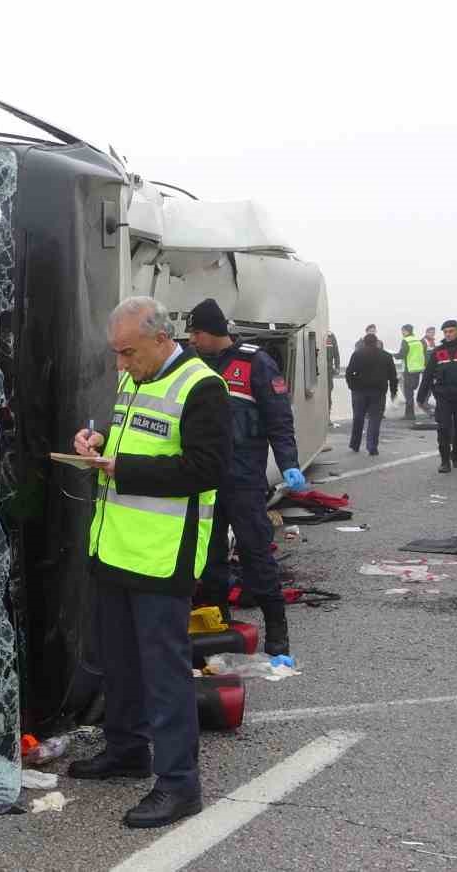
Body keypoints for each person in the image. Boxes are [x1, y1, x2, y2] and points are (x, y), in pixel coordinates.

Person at [66, 296, 228, 829]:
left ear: (161, 338)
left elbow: (204, 468)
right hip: (115, 548)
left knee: (165, 675)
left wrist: (122, 467)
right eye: (117, 353)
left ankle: (179, 784)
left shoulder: (202, 385)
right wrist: (98, 442)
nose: (121, 364)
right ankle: (128, 750)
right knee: (119, 663)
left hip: (163, 557)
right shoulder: (135, 379)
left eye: (129, 352)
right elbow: (133, 439)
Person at [187, 298, 307, 657]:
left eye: (196, 332)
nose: (191, 339)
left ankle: (277, 632)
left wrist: (289, 462)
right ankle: (219, 624)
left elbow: (278, 418)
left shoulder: (255, 363)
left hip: (243, 480)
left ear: (214, 332)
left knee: (256, 554)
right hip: (205, 481)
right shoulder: (192, 366)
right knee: (209, 558)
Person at [417, 319, 457, 472]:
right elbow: (427, 375)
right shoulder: (438, 352)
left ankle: (456, 453)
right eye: (445, 332)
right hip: (443, 397)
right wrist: (421, 397)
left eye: (451, 331)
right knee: (443, 428)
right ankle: (445, 461)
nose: (448, 334)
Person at [346, 332, 398, 455]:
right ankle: (372, 446)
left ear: (364, 343)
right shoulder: (386, 356)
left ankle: (355, 444)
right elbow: (393, 376)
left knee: (358, 418)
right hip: (378, 393)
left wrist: (352, 387)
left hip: (359, 392)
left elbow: (349, 373)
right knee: (375, 420)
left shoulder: (357, 354)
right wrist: (393, 391)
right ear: (376, 342)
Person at [395, 324, 427, 421]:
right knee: (412, 389)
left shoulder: (406, 341)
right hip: (418, 369)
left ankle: (410, 414)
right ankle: (412, 411)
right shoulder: (419, 341)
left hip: (409, 369)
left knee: (408, 393)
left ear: (406, 331)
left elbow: (402, 354)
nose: (402, 333)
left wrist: (394, 355)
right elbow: (423, 352)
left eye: (403, 331)